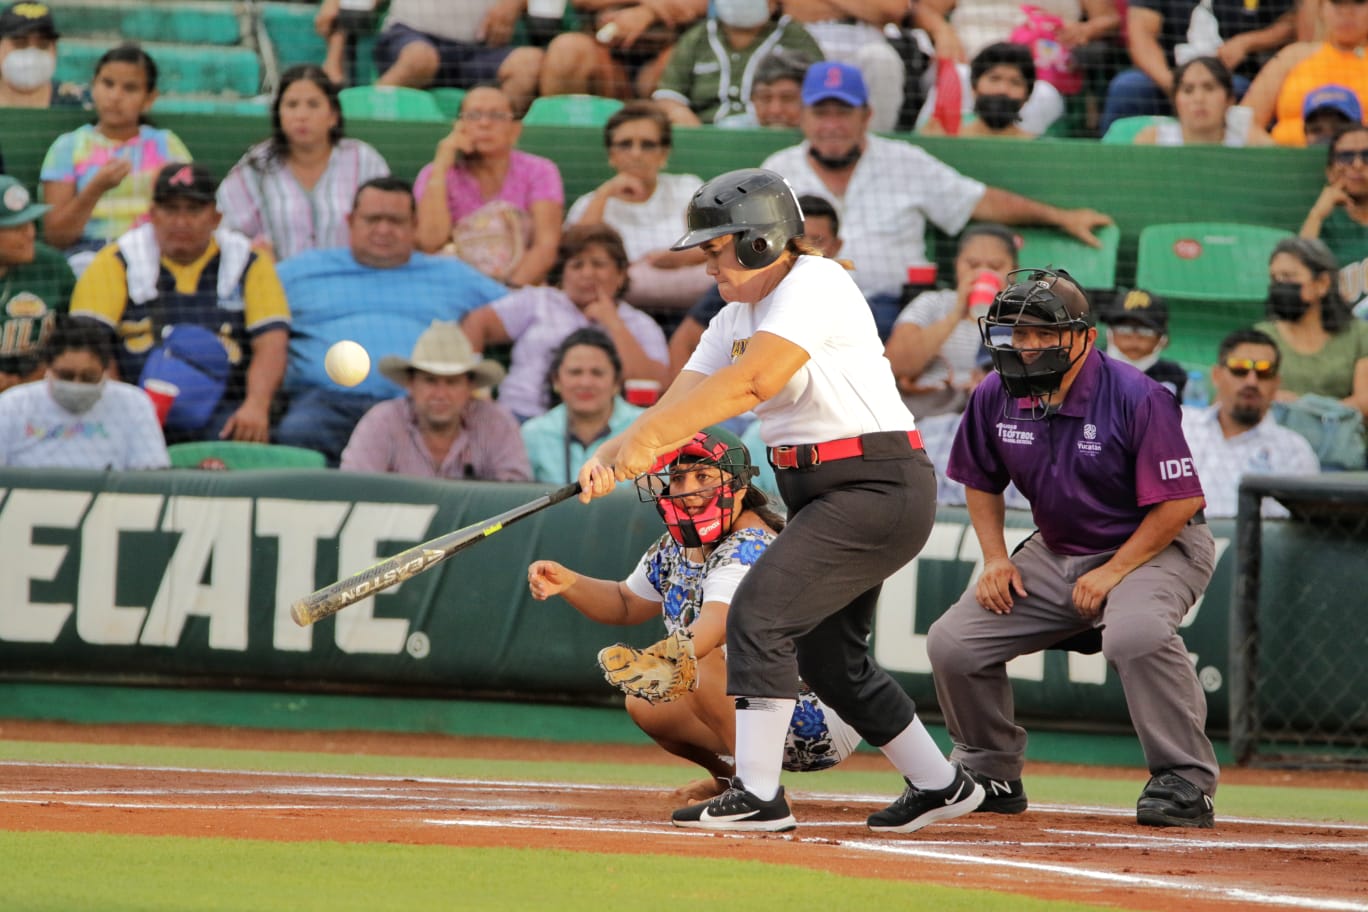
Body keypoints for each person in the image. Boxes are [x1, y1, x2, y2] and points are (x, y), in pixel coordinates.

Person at [576, 168, 985, 834]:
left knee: (758, 615)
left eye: (715, 249)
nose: (707, 266)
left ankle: (761, 796)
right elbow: (680, 400)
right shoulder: (735, 315)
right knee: (830, 658)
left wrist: (650, 440)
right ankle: (940, 783)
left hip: (875, 485)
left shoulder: (816, 281)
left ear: (762, 241)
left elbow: (753, 382)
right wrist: (609, 458)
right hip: (826, 493)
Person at [929, 267, 1220, 829]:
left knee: (1135, 634)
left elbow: (1179, 504)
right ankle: (991, 770)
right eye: (1018, 333)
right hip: (1059, 548)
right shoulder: (996, 390)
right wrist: (995, 558)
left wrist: (1112, 573)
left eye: (1045, 333)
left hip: (1157, 546)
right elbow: (979, 479)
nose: (1030, 346)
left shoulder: (1139, 395)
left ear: (1086, 337)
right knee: (953, 644)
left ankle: (1184, 779)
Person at [528, 428, 862, 799]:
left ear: (736, 488)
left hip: (818, 714)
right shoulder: (676, 544)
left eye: (703, 476)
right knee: (643, 703)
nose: (687, 489)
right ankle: (728, 780)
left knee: (700, 664)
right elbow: (625, 602)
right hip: (756, 704)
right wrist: (569, 582)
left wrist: (654, 660)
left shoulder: (750, 545)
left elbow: (715, 626)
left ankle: (757, 790)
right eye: (678, 477)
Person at [761, 61, 1112, 341]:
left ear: (866, 116)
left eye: (843, 113)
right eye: (822, 114)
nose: (832, 125)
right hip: (796, 303)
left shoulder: (905, 160)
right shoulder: (776, 171)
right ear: (803, 117)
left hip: (888, 308)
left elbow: (980, 201)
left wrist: (1058, 217)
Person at [274, 177, 509, 464]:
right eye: (373, 219)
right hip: (324, 403)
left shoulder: (452, 274)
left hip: (419, 408)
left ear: (414, 225)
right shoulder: (300, 271)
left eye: (396, 221)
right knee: (297, 432)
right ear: (350, 221)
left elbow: (522, 308)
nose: (383, 230)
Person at [69, 163, 290, 444]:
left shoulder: (248, 262)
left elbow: (271, 342)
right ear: (152, 215)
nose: (181, 221)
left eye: (193, 210)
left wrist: (256, 406)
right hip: (134, 408)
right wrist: (121, 412)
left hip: (225, 412)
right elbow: (90, 343)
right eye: (171, 209)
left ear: (216, 217)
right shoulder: (115, 261)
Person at [461, 224, 669, 421]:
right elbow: (476, 323)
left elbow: (657, 385)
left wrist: (613, 323)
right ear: (563, 273)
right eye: (577, 265)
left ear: (621, 274)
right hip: (519, 418)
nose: (587, 273)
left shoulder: (640, 324)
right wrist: (477, 392)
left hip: (602, 432)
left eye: (598, 264)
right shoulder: (538, 301)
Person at [40, 45, 191, 273]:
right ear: (93, 86)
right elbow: (56, 237)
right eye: (107, 84)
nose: (115, 96)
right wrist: (96, 188)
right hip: (87, 255)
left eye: (130, 88)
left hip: (154, 252)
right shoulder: (67, 147)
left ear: (149, 98)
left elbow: (187, 210)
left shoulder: (167, 146)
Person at [216, 64, 390, 263]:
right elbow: (222, 232)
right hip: (277, 287)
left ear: (333, 115)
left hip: (350, 283)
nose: (301, 116)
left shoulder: (364, 161)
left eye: (313, 105)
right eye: (291, 105)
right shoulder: (256, 166)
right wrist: (251, 251)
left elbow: (389, 221)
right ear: (279, 115)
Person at [666, 193, 840, 381]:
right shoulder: (732, 309)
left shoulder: (825, 284)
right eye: (799, 238)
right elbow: (684, 350)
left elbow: (753, 385)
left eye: (817, 240)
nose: (804, 247)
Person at [565, 101, 710, 318]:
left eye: (647, 145)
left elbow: (717, 243)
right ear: (611, 155)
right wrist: (605, 193)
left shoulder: (687, 187)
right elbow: (575, 256)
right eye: (625, 144)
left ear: (664, 153)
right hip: (614, 312)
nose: (636, 154)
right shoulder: (590, 203)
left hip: (693, 309)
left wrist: (679, 259)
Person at [414, 85, 563, 288]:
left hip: (518, 289)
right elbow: (431, 242)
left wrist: (506, 295)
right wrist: (441, 164)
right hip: (453, 287)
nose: (484, 123)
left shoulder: (540, 171)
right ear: (459, 126)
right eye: (474, 115)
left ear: (515, 129)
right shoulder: (435, 174)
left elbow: (545, 247)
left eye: (497, 116)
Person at [341, 320, 530, 480]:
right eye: (430, 381)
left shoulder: (497, 422)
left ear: (470, 387)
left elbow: (518, 500)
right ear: (411, 383)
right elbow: (354, 489)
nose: (441, 394)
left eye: (452, 382)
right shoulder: (381, 422)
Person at [1181, 327, 1320, 518]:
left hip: (1258, 547)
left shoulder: (1294, 450)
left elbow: (1306, 530)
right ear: (1216, 375)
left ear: (1276, 383)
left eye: (1264, 373)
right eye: (1240, 369)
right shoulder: (1181, 428)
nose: (1251, 381)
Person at [885, 223, 1018, 419]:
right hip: (930, 413)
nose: (981, 273)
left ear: (1014, 271)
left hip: (989, 414)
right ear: (957, 264)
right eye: (972, 265)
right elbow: (895, 366)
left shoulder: (1023, 315)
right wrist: (956, 313)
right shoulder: (932, 303)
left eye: (995, 267)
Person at [0, 315, 168, 469]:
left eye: (89, 377)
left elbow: (151, 472)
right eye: (66, 375)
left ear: (105, 371)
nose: (77, 384)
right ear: (48, 368)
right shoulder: (13, 405)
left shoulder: (133, 403)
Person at [1102, 0, 1295, 132]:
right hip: (1167, 77)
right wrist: (1174, 85)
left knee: (1240, 90)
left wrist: (1247, 42)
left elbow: (1290, 22)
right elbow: (1141, 34)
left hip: (1231, 80)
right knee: (1127, 87)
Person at [315, 0, 543, 112]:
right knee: (420, 58)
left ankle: (490, 139)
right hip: (410, 36)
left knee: (530, 64)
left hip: (478, 49)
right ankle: (368, 117)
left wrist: (515, 3)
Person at [650, 0, 822, 127]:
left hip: (772, 134)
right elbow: (669, 96)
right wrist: (696, 131)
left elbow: (819, 95)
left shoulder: (796, 37)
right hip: (706, 136)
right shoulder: (697, 37)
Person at [1255, 237, 1368, 419]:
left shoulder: (1360, 335)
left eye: (1288, 277)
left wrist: (1305, 411)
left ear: (1322, 283)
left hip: (1340, 438)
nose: (1279, 285)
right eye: (1275, 278)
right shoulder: (1261, 337)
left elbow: (1364, 402)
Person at [520, 328, 644, 484]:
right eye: (575, 372)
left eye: (597, 373)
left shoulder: (645, 427)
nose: (585, 383)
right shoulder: (532, 434)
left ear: (616, 382)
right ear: (556, 380)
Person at [1243, 0, 1368, 146]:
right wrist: (1280, 157)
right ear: (1321, 9)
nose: (1347, 12)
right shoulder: (1292, 57)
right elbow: (1245, 121)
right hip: (1286, 161)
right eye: (1337, 2)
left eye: (1358, 2)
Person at [538, 0, 706, 102]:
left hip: (666, 56)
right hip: (605, 56)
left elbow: (696, 5)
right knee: (567, 50)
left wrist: (647, 14)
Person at [781, 0, 908, 132]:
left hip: (863, 51)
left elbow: (893, 9)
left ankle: (871, 145)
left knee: (882, 59)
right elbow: (793, 8)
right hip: (806, 47)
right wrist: (863, 9)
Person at [0, 174, 74, 394]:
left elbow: (79, 337)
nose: (30, 234)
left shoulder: (51, 266)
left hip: (42, 395)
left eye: (30, 223)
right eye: (16, 227)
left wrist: (35, 379)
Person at [917, 39, 1063, 138]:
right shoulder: (941, 136)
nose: (1002, 90)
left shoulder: (1041, 150)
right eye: (994, 79)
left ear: (1027, 95)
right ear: (974, 87)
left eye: (1015, 82)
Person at [1300, 125, 1368, 316]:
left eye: (1367, 155)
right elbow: (1298, 285)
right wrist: (1317, 215)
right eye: (1346, 157)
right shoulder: (1322, 225)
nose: (1357, 164)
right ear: (1330, 172)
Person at [1133, 56, 1272, 146]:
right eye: (1188, 90)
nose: (1198, 99)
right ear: (1175, 99)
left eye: (1209, 88)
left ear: (1229, 99)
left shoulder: (1248, 142)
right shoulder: (1153, 141)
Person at [1099, 288, 1189, 399]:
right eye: (1124, 328)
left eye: (1146, 330)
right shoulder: (1090, 368)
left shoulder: (1174, 375)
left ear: (1163, 339)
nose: (1134, 337)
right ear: (1109, 332)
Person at [0, 1, 86, 109]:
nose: (32, 54)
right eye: (20, 43)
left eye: (43, 45)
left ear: (54, 49)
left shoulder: (76, 102)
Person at [747, 47, 812, 129]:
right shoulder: (732, 134)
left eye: (788, 98)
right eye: (765, 98)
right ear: (753, 99)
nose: (775, 110)